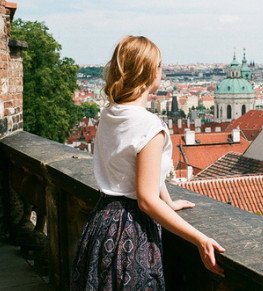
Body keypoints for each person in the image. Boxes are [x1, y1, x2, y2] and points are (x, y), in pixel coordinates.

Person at [70, 35, 225, 290]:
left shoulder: (109, 113)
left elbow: (143, 171)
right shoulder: (149, 125)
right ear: (150, 72)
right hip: (131, 230)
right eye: (160, 65)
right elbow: (145, 199)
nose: (161, 71)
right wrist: (199, 237)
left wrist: (169, 202)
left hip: (101, 221)